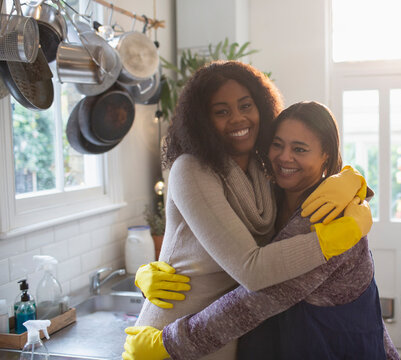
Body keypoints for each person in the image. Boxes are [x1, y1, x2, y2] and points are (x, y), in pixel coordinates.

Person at [122, 62, 371, 360]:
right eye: (222, 111)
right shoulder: (192, 169)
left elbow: (308, 176)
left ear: (262, 108)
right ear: (203, 120)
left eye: (245, 105)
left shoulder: (263, 169)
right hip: (169, 339)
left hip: (220, 337)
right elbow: (253, 270)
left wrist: (353, 180)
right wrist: (337, 237)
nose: (237, 118)